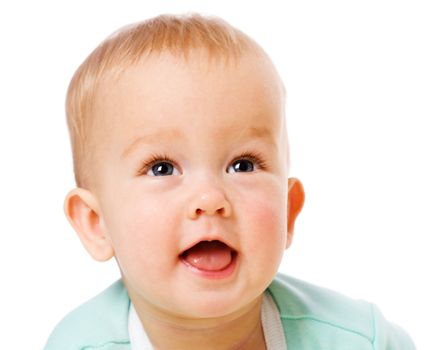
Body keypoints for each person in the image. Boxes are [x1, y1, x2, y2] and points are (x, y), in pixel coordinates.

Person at [44, 13, 415, 350]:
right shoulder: (78, 345)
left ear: (289, 211)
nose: (209, 198)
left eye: (243, 165)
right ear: (97, 223)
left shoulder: (358, 340)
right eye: (162, 168)